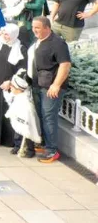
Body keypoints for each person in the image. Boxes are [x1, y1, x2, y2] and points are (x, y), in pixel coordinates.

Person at [28, 17, 71, 163]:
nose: (34, 30)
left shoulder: (58, 43)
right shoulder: (38, 40)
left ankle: (52, 151)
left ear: (47, 28)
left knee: (48, 116)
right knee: (41, 114)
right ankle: (45, 144)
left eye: (37, 28)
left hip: (50, 87)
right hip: (38, 84)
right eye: (33, 27)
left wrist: (56, 85)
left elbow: (65, 65)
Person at [0, 24, 28, 148]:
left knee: (7, 111)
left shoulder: (21, 49)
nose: (4, 36)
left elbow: (22, 69)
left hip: (10, 86)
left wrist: (10, 81)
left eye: (7, 34)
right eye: (3, 33)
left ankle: (7, 139)